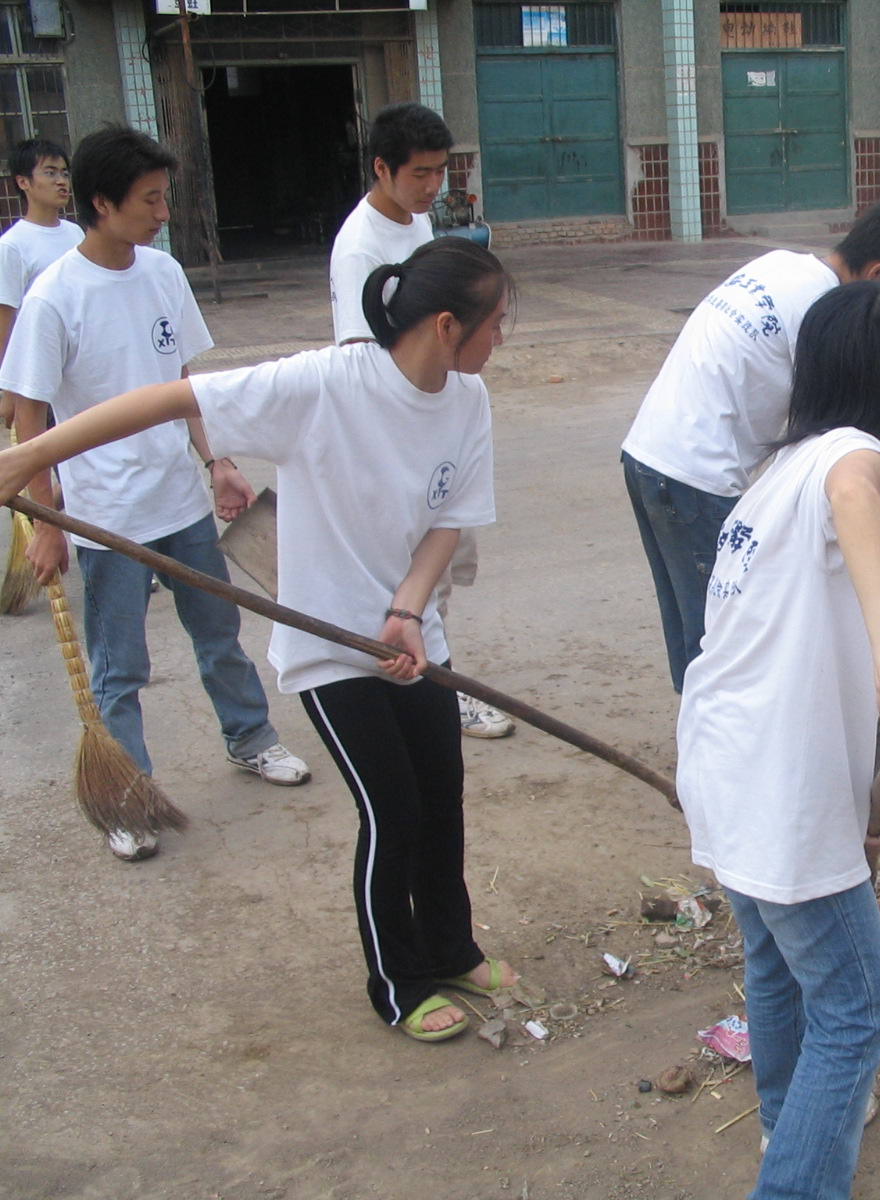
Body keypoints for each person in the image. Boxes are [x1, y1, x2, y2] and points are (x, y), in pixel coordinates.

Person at [0, 238, 521, 1041]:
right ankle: (399, 982)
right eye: (497, 326)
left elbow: (449, 520)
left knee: (442, 797)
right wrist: (35, 454)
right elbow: (167, 401)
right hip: (329, 651)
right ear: (449, 325)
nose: (501, 341)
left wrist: (411, 610)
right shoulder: (322, 385)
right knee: (394, 812)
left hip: (413, 636)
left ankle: (451, 946)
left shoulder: (466, 402)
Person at [675, 281, 880, 1196]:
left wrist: (861, 808)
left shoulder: (776, 473)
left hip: (729, 767)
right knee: (859, 1013)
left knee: (777, 969)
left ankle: (781, 1130)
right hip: (773, 783)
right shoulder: (851, 461)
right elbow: (856, 492)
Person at [0, 126, 310, 862]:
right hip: (106, 517)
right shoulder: (54, 299)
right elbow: (28, 417)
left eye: (164, 196)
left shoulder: (163, 274)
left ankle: (251, 738)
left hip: (181, 501)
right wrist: (46, 523)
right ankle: (130, 793)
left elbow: (185, 388)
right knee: (119, 665)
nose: (162, 211)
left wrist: (219, 463)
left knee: (219, 633)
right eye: (150, 199)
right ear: (103, 203)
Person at [620, 201, 880, 692]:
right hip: (697, 472)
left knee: (697, 631)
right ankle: (715, 751)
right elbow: (847, 415)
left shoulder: (779, 265)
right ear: (877, 273)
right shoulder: (826, 311)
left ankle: (703, 739)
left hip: (649, 453)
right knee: (725, 638)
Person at [330, 100, 512, 740]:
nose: (433, 187)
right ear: (382, 168)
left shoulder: (417, 221)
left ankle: (437, 677)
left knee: (440, 575)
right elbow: (365, 365)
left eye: (441, 172)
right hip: (395, 442)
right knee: (411, 576)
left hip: (436, 426)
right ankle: (430, 687)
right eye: (420, 174)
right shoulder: (359, 248)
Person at [0, 137, 83, 432]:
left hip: (78, 366)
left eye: (64, 172)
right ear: (23, 182)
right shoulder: (12, 246)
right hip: (39, 372)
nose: (61, 181)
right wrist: (10, 390)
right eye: (50, 173)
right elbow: (5, 321)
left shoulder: (76, 234)